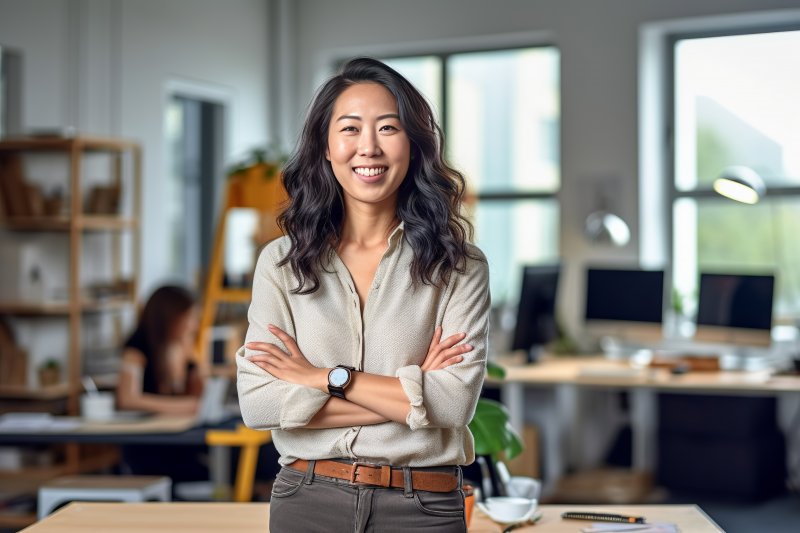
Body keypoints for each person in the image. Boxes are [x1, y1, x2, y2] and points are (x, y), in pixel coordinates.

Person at [237, 57, 490, 532]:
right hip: (306, 499)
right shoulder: (280, 261)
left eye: (388, 128)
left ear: (413, 147)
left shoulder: (460, 264)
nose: (368, 147)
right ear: (326, 147)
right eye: (350, 128)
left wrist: (322, 378)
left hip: (424, 507)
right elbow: (259, 403)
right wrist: (414, 399)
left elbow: (455, 405)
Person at [116, 284, 207, 485]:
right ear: (170, 316)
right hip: (150, 444)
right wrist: (181, 407)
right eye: (189, 318)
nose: (194, 325)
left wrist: (191, 357)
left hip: (180, 437)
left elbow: (200, 390)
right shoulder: (137, 347)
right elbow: (127, 399)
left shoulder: (181, 346)